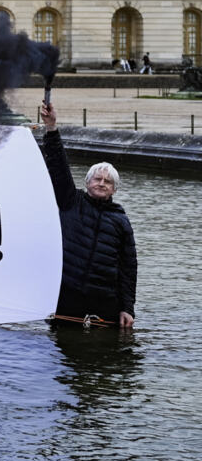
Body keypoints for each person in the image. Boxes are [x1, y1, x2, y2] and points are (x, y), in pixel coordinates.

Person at [38, 102, 137, 328]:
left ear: (114, 189)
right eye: (97, 179)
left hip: (105, 304)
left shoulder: (121, 220)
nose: (102, 183)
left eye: (108, 181)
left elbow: (128, 269)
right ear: (87, 182)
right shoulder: (71, 201)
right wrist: (52, 128)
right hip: (66, 298)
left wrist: (127, 308)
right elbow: (58, 167)